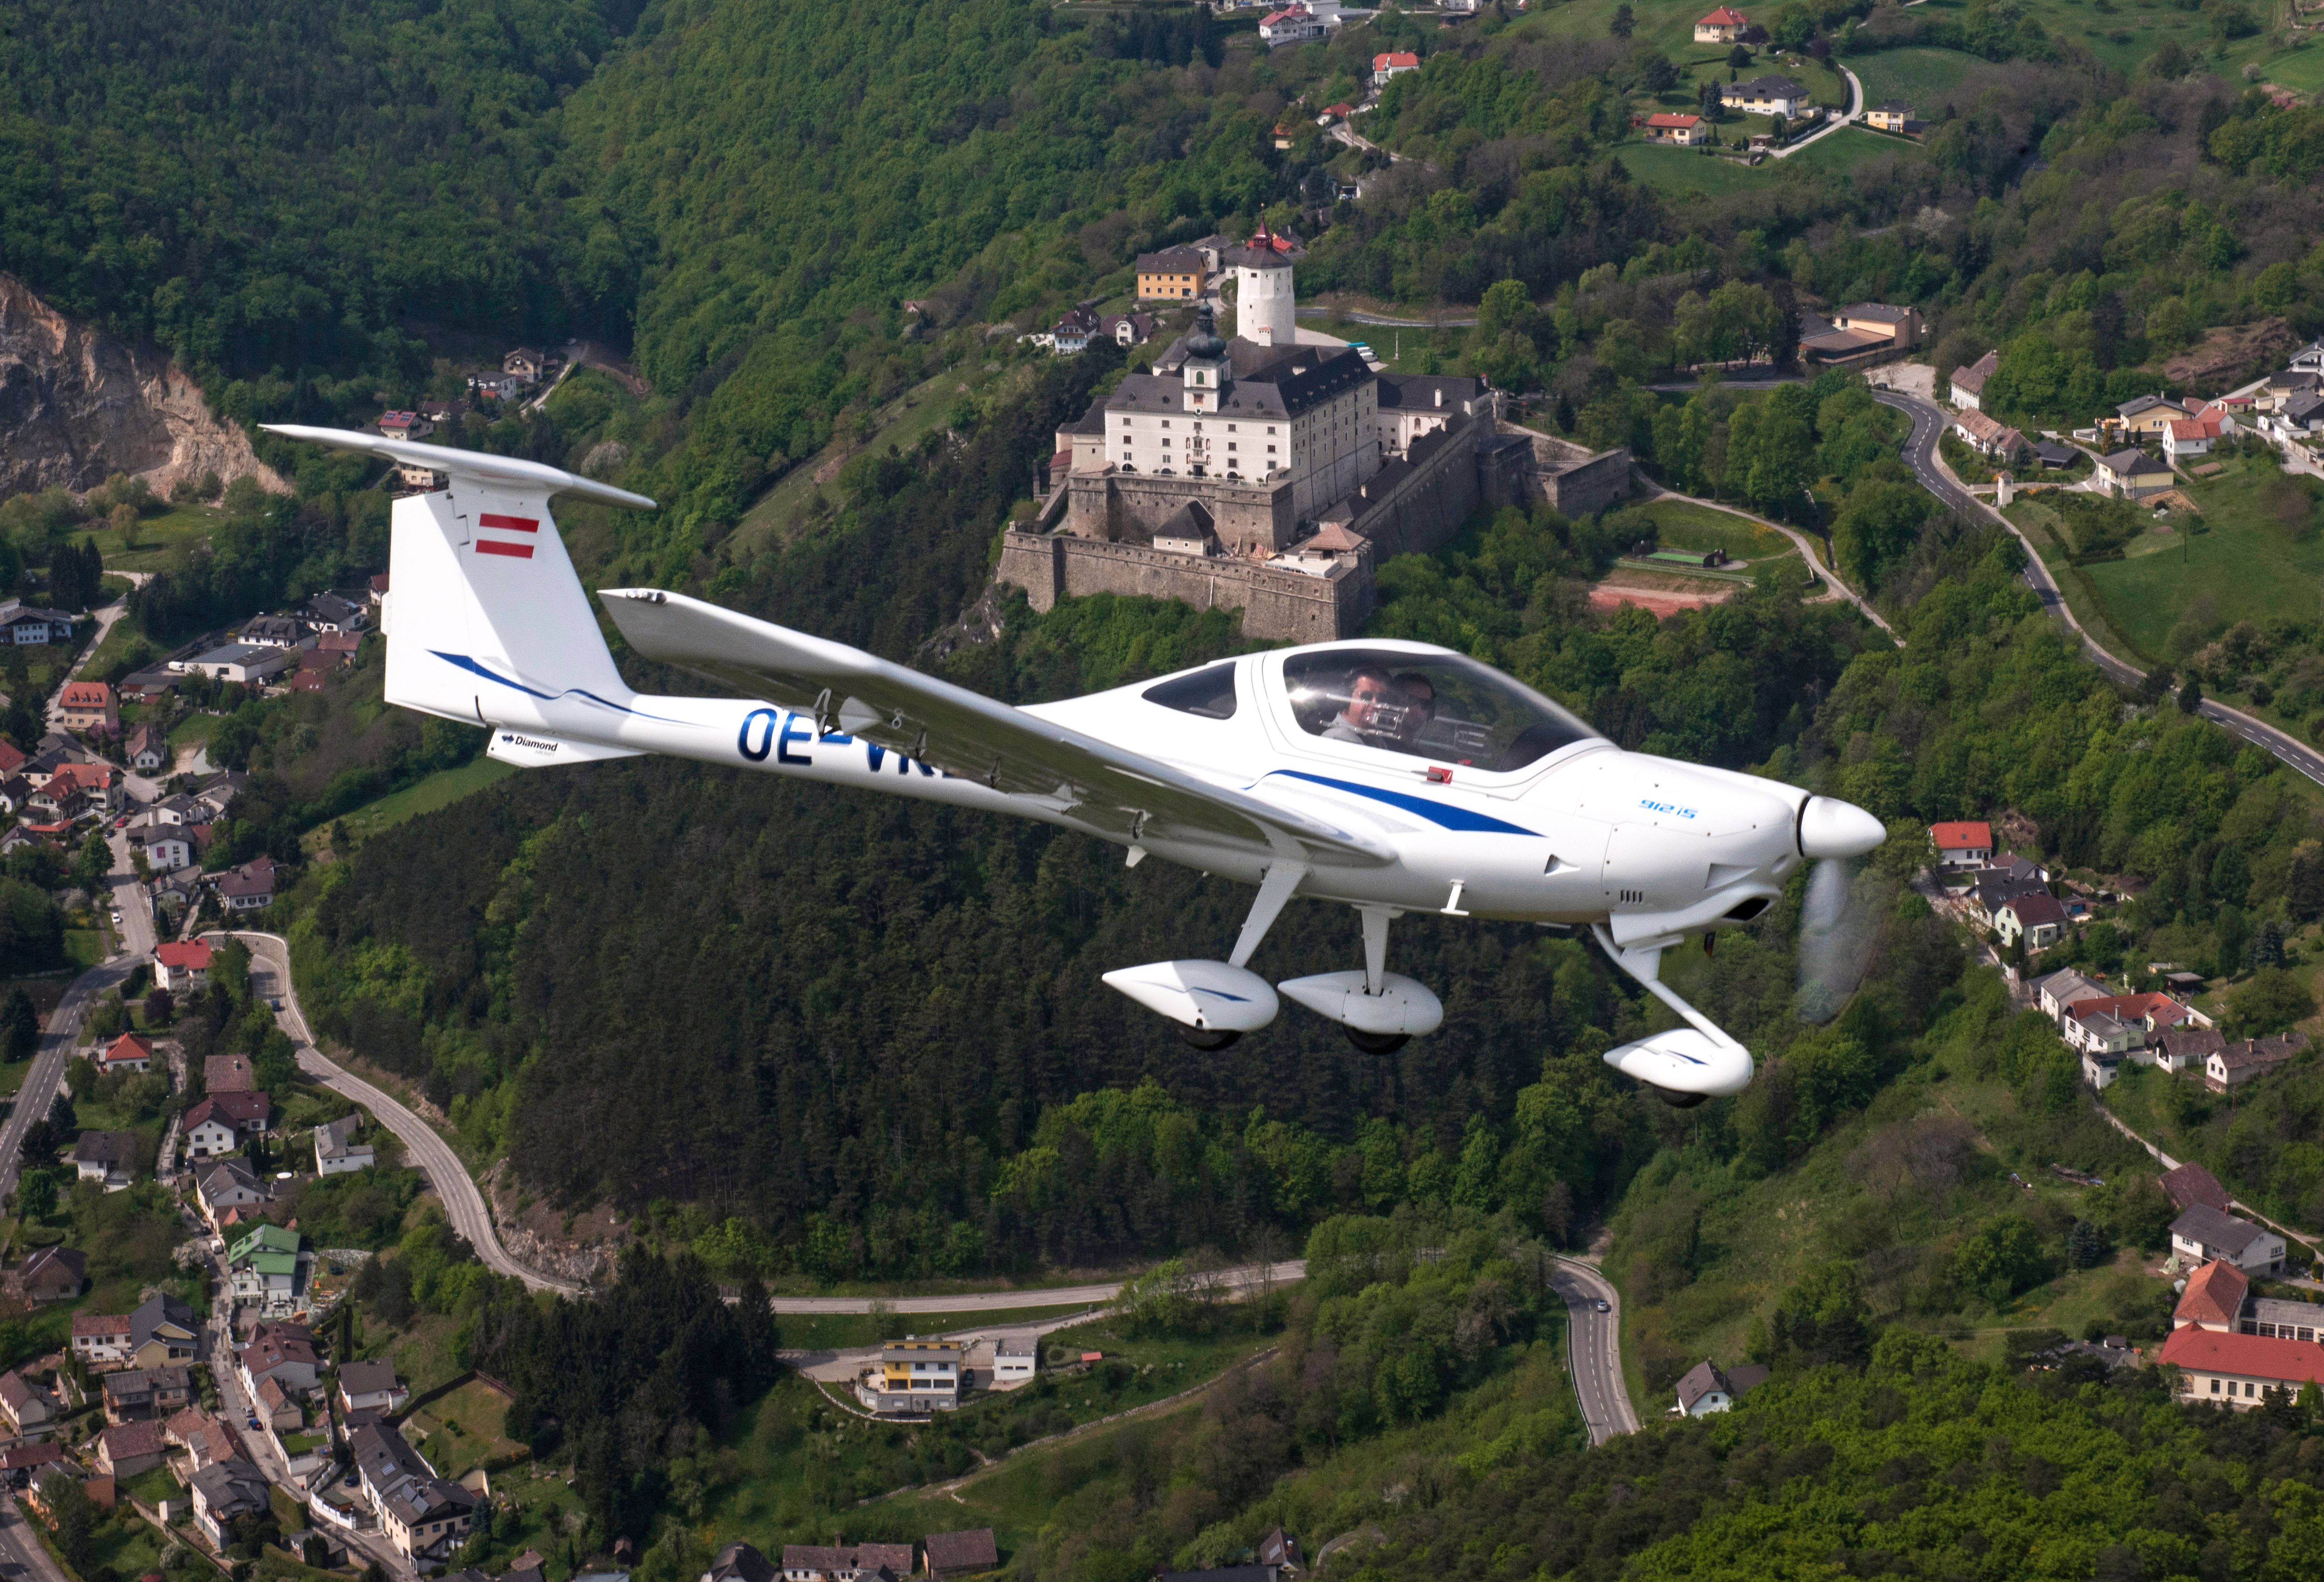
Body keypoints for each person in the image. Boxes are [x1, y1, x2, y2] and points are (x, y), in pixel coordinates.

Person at [1323, 666, 1395, 742]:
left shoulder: (1373, 735)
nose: (1376, 703)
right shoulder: (1338, 739)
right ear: (1348, 696)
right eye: (1367, 696)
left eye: (1382, 698)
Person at [1389, 671, 1436, 751]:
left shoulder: (1418, 757)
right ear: (1394, 701)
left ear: (1431, 713)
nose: (1418, 709)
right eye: (1411, 700)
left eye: (1426, 704)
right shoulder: (1376, 746)